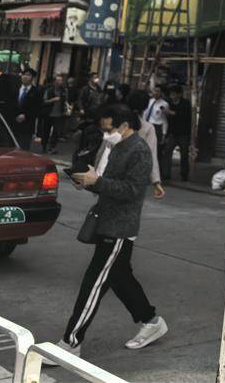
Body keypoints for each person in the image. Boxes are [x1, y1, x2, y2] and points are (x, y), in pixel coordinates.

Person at [52, 106, 168, 360]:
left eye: (109, 129)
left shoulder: (139, 151)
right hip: (107, 221)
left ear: (125, 126)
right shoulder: (117, 146)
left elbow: (132, 191)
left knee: (93, 283)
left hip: (119, 227)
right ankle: (151, 321)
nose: (106, 134)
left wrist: (98, 182)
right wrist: (88, 181)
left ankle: (71, 341)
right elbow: (107, 184)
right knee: (120, 277)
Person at [124, 93, 166, 199]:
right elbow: (151, 156)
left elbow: (105, 150)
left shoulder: (117, 125)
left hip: (114, 175)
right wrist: (156, 181)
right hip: (136, 177)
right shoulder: (148, 128)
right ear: (145, 108)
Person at [163, 87, 192, 183]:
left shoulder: (185, 104)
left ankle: (184, 175)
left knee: (184, 154)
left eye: (174, 94)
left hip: (183, 133)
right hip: (172, 133)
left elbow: (183, 115)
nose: (172, 96)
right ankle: (166, 174)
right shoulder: (169, 103)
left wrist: (172, 113)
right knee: (167, 152)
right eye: (171, 94)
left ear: (179, 94)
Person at [140, 86, 170, 179]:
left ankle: (156, 174)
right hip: (148, 125)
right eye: (154, 90)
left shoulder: (164, 104)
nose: (156, 93)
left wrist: (164, 133)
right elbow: (145, 114)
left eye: (158, 91)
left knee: (155, 151)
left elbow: (164, 120)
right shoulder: (150, 101)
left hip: (157, 127)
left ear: (161, 93)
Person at [14, 68, 44, 151]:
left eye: (28, 75)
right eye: (24, 74)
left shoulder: (36, 92)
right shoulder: (15, 88)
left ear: (32, 78)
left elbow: (38, 109)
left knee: (23, 147)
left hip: (27, 125)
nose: (25, 77)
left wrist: (26, 116)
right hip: (12, 123)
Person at [42, 75, 67, 153]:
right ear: (54, 81)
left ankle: (52, 147)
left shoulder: (63, 91)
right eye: (58, 80)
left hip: (58, 114)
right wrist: (53, 99)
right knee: (46, 130)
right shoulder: (49, 90)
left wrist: (66, 107)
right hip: (49, 113)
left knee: (56, 132)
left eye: (61, 80)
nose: (60, 82)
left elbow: (65, 100)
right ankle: (44, 146)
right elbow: (45, 101)